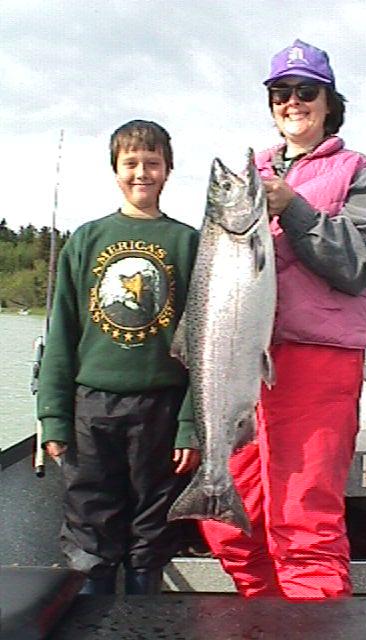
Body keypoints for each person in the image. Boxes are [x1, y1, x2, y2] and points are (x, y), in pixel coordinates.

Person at [198, 39, 366, 599]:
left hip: (319, 361)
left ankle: (310, 624)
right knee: (226, 523)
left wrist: (297, 210)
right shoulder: (248, 174)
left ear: (329, 101)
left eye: (305, 91)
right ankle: (263, 621)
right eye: (280, 93)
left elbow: (361, 265)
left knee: (305, 526)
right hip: (242, 365)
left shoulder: (358, 173)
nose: (292, 102)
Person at [37, 119, 200, 595]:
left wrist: (190, 424)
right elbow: (61, 333)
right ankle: (92, 611)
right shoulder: (86, 239)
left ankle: (146, 614)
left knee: (152, 535)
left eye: (152, 163)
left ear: (168, 171)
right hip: (92, 408)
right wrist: (53, 416)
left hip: (163, 409)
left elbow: (203, 344)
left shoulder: (188, 243)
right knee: (90, 534)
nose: (141, 173)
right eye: (131, 163)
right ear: (116, 170)